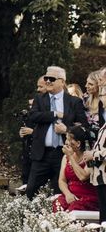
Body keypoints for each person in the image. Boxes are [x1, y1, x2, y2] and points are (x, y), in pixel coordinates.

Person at [26, 66, 89, 199]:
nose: (47, 81)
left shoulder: (74, 102)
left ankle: (56, 218)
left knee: (58, 191)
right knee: (31, 189)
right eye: (46, 78)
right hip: (42, 153)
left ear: (61, 81)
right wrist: (54, 114)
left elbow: (84, 126)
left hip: (63, 153)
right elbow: (33, 116)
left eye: (51, 79)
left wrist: (66, 130)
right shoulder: (40, 99)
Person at [53, 125, 99, 212]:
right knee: (58, 205)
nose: (66, 142)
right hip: (71, 194)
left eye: (69, 140)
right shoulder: (65, 157)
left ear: (78, 143)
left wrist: (70, 156)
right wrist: (67, 194)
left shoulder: (90, 155)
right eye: (66, 139)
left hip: (87, 197)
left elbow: (83, 176)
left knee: (74, 209)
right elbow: (62, 181)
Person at [16, 76, 47, 192]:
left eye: (41, 86)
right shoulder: (34, 110)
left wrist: (33, 132)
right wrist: (23, 132)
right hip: (29, 149)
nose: (38, 89)